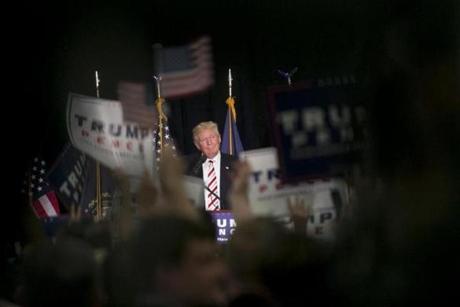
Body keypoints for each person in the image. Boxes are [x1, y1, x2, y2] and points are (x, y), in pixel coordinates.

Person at [186, 121, 237, 211]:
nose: (209, 142)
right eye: (203, 140)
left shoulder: (235, 163)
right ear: (197, 145)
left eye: (212, 137)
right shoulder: (188, 166)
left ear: (219, 138)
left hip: (230, 219)